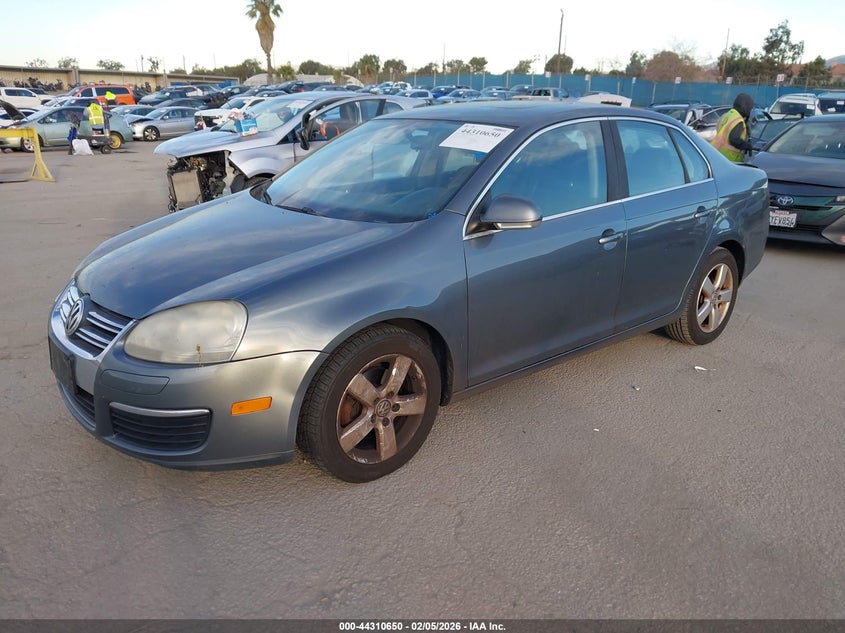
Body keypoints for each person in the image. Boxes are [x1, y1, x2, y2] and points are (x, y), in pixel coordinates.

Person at [711, 93, 755, 162]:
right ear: (745, 107)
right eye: (749, 108)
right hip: (728, 159)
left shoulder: (727, 115)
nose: (749, 111)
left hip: (716, 153)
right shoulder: (738, 120)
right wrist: (746, 146)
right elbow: (734, 139)